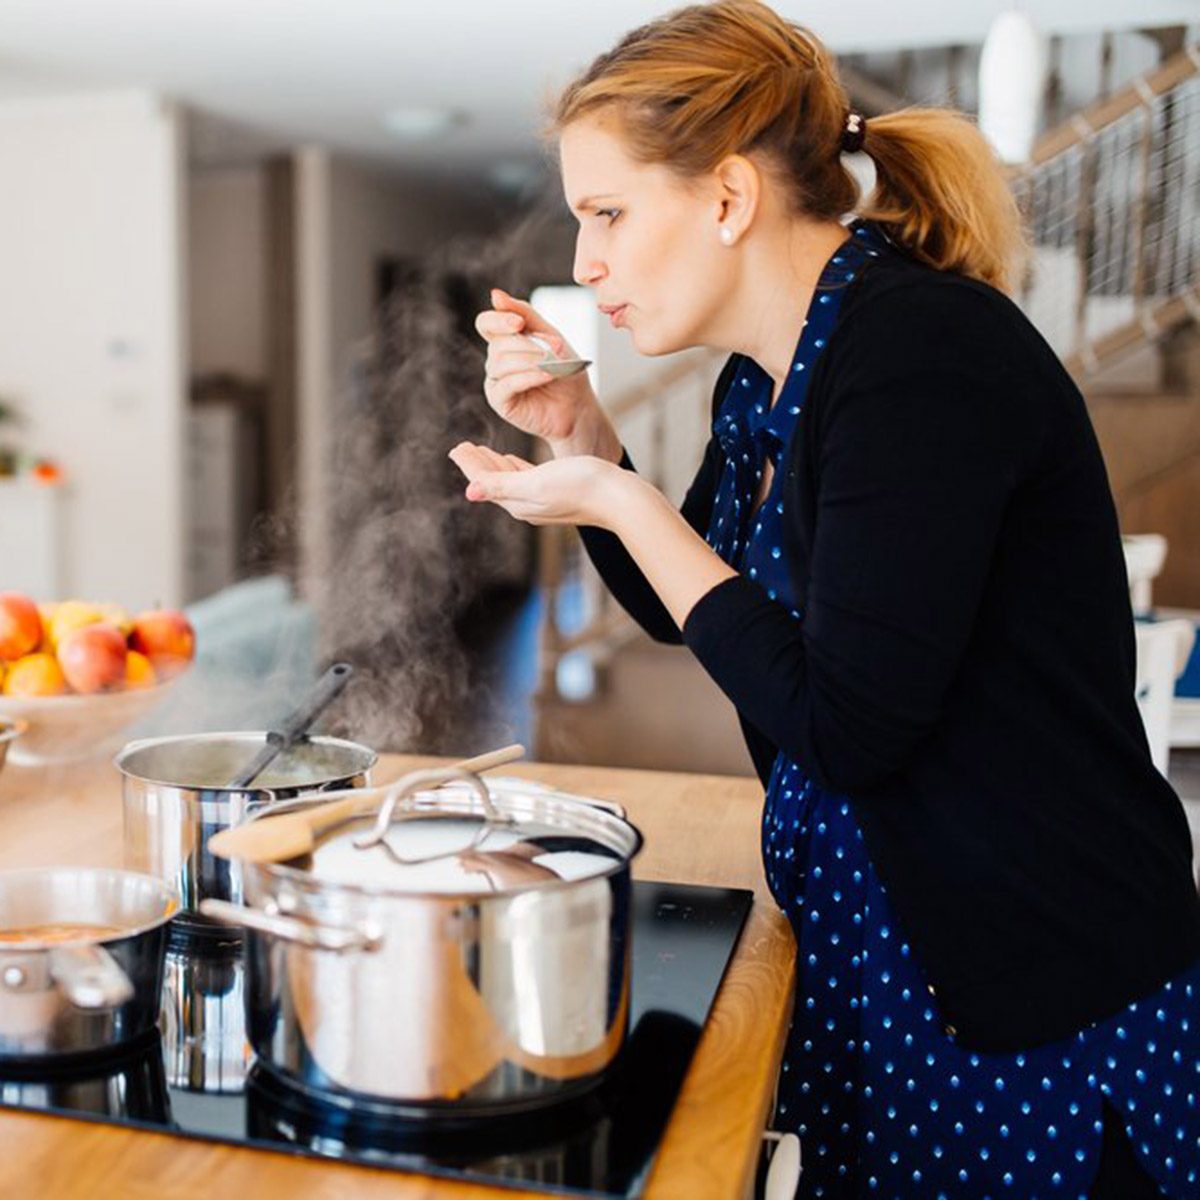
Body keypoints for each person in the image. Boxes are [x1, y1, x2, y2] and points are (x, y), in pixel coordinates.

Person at [449, 2, 1200, 1196]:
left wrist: (622, 503)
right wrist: (581, 439)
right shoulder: (768, 372)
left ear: (729, 198)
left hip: (1033, 967)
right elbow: (690, 604)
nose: (586, 263)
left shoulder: (915, 355)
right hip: (888, 935)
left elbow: (851, 724)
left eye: (607, 214)